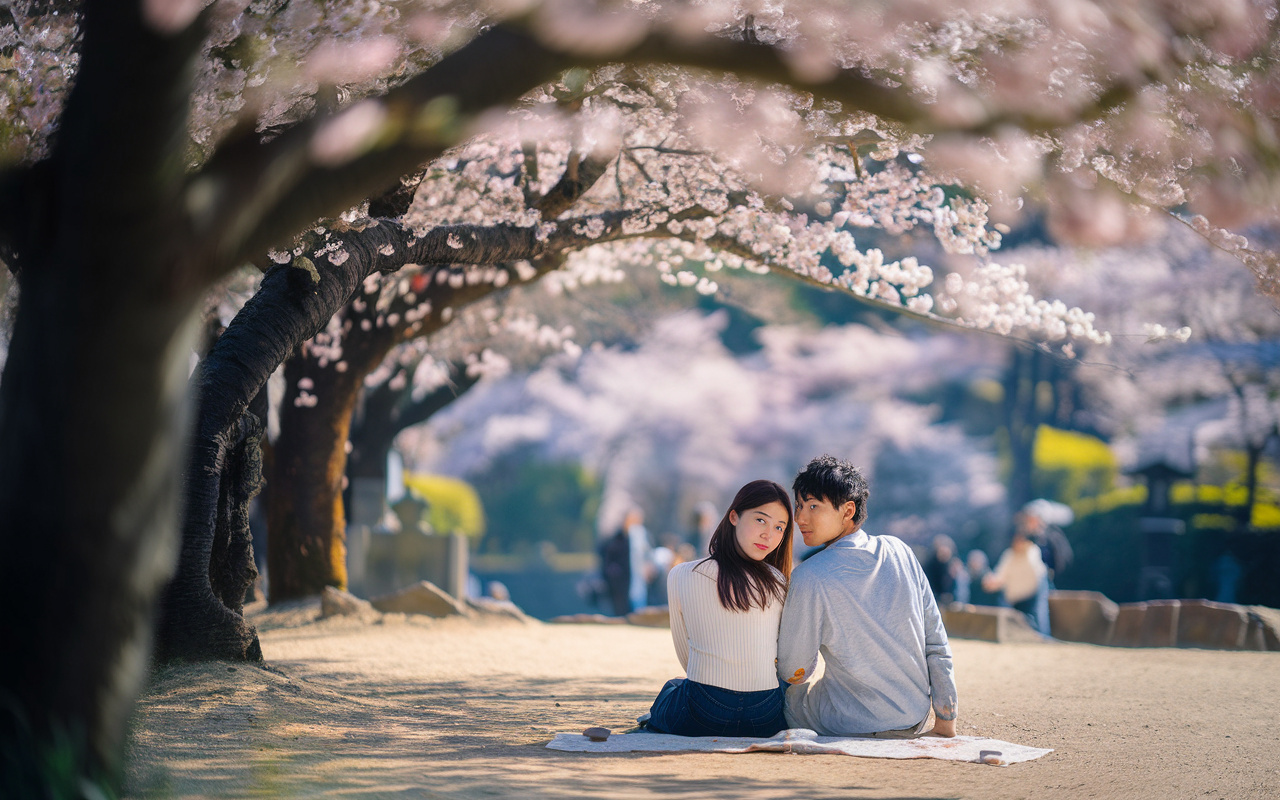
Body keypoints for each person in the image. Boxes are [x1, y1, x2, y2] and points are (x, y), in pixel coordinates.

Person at [777, 455, 957, 738]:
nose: (800, 518)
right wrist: (945, 721)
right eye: (799, 506)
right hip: (914, 717)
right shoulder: (900, 551)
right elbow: (935, 640)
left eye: (813, 506)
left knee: (783, 693)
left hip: (850, 722)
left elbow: (793, 668)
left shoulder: (809, 576)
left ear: (848, 510)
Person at [644, 480, 794, 737]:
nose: (769, 535)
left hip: (704, 710)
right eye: (761, 520)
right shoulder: (779, 581)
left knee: (672, 688)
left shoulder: (681, 574)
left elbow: (687, 657)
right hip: (765, 714)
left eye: (779, 527)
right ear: (734, 516)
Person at [982, 528, 1051, 635]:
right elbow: (1000, 575)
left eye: (1020, 540)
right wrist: (991, 582)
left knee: (1038, 619)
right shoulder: (1009, 555)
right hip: (1016, 598)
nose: (1017, 543)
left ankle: (1044, 638)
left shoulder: (1032, 551)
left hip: (1034, 594)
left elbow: (1035, 569)